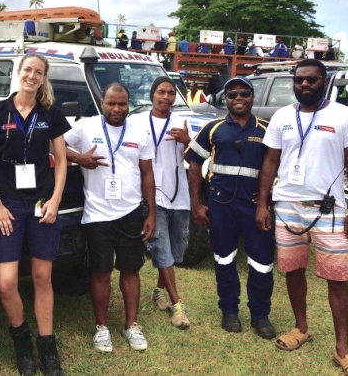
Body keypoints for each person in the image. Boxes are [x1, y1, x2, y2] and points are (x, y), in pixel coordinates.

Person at [255, 59, 348, 376]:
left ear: (324, 81)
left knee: (337, 276)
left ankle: (342, 350)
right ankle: (301, 328)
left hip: (329, 208)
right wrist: (262, 203)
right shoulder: (282, 116)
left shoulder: (342, 115)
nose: (305, 85)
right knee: (293, 270)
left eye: (312, 80)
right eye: (299, 80)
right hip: (288, 205)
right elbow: (270, 161)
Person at [0, 53, 70, 376]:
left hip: (41, 202)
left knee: (43, 277)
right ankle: (22, 341)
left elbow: (61, 160)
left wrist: (56, 199)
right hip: (8, 205)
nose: (32, 76)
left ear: (44, 78)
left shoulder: (51, 114)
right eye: (27, 70)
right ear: (18, 72)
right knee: (6, 283)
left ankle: (47, 348)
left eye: (38, 72)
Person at [64, 83, 156, 352]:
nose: (117, 109)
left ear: (129, 103)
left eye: (122, 104)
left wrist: (151, 212)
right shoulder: (85, 126)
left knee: (131, 269)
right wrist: (79, 158)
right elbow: (53, 145)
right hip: (97, 213)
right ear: (101, 102)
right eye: (111, 103)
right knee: (100, 270)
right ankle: (101, 328)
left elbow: (147, 173)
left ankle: (131, 325)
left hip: (130, 211)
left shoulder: (140, 131)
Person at [187, 76, 276, 339]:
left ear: (252, 97)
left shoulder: (267, 130)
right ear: (225, 98)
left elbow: (274, 166)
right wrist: (196, 205)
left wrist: (264, 203)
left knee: (261, 262)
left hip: (254, 207)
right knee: (224, 259)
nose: (238, 98)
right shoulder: (213, 129)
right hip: (220, 206)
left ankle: (260, 315)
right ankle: (229, 311)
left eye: (244, 93)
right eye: (232, 94)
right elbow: (194, 164)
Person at [131, 77, 191, 329]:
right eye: (161, 92)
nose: (165, 97)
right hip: (151, 195)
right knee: (161, 246)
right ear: (152, 94)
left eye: (170, 93)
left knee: (177, 249)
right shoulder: (136, 121)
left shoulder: (182, 123)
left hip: (178, 194)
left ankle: (158, 289)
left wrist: (187, 141)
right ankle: (178, 306)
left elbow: (196, 156)